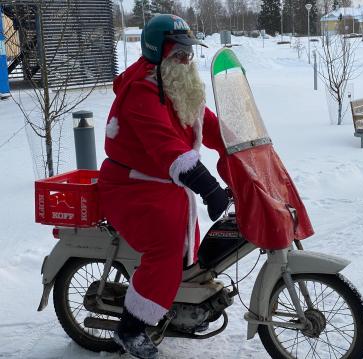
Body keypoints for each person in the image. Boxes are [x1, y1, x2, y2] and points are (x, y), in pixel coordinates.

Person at [98, 14, 229, 359]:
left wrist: (244, 146)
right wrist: (207, 185)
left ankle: (173, 301)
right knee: (167, 247)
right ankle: (131, 328)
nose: (187, 60)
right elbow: (165, 146)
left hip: (165, 182)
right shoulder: (141, 90)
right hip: (131, 187)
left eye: (189, 54)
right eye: (179, 53)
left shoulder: (178, 86)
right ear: (159, 52)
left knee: (191, 242)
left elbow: (210, 126)